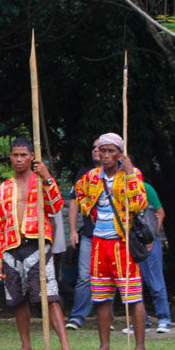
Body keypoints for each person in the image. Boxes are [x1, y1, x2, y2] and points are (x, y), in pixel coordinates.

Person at [0, 138, 78, 350]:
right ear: (10, 157)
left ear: (31, 156)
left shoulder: (40, 181)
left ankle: (66, 348)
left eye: (23, 155)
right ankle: (26, 346)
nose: (18, 159)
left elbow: (56, 205)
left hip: (36, 244)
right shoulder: (4, 188)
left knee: (50, 296)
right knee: (17, 299)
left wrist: (47, 177)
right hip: (11, 247)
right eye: (14, 155)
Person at [74, 132, 148, 350]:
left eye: (110, 151)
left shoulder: (131, 174)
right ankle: (104, 346)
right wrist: (91, 211)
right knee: (101, 296)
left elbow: (139, 204)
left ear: (119, 154)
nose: (105, 155)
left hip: (122, 243)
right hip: (98, 243)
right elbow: (79, 191)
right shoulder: (93, 176)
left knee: (133, 296)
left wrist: (129, 172)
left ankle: (140, 348)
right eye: (102, 150)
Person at [123, 168, 171, 334]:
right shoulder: (119, 189)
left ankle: (164, 319)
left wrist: (151, 238)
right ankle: (141, 321)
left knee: (155, 281)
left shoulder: (146, 188)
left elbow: (160, 213)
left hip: (147, 240)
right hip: (129, 241)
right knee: (134, 283)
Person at [66, 140, 102, 330]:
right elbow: (74, 202)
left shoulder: (121, 174)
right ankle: (77, 316)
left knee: (113, 276)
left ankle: (108, 317)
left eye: (101, 147)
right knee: (84, 276)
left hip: (114, 235)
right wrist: (73, 230)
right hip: (89, 233)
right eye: (94, 147)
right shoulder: (85, 174)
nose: (96, 150)